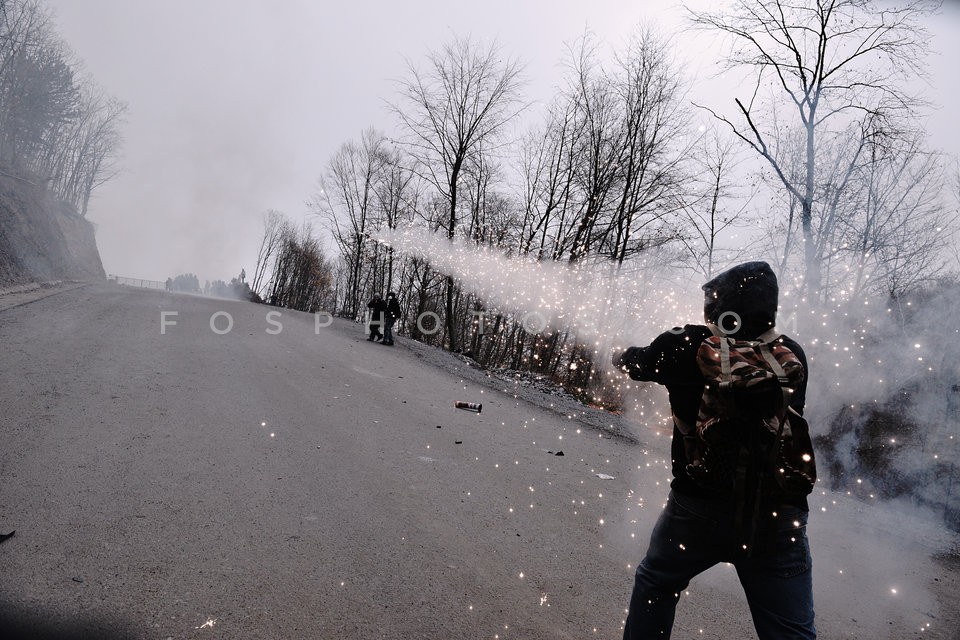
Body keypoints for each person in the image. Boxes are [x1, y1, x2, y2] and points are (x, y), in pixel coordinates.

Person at [613, 261, 816, 640]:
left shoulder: (682, 343)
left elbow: (633, 364)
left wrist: (616, 351)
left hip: (698, 507)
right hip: (777, 516)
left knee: (657, 583)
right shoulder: (790, 354)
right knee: (791, 633)